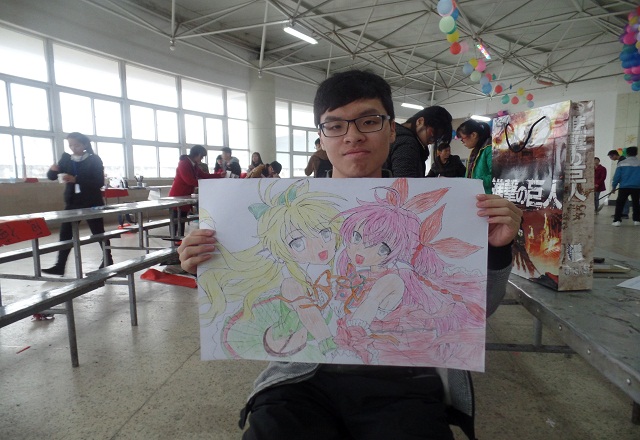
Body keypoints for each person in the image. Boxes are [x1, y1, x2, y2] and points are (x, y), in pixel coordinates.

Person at [177, 70, 522, 440]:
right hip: (302, 379)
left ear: (392, 130)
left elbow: (476, 309)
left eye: (369, 121)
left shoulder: (429, 215)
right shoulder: (299, 215)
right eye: (335, 125)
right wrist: (208, 262)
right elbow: (259, 291)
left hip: (403, 380)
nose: (353, 135)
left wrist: (497, 250)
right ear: (321, 138)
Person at [43, 132, 113, 275]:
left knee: (98, 232)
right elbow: (51, 177)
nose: (74, 148)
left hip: (92, 202)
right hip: (72, 202)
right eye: (71, 145)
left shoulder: (94, 160)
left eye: (77, 145)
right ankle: (60, 265)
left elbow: (99, 182)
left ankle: (108, 259)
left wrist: (76, 179)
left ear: (84, 144)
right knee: (65, 234)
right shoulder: (66, 159)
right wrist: (52, 170)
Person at [168, 145, 222, 237]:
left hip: (185, 196)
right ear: (198, 154)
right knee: (175, 221)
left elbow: (204, 175)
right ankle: (174, 240)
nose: (202, 159)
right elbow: (189, 180)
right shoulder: (184, 163)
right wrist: (206, 185)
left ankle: (179, 240)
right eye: (202, 156)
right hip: (177, 195)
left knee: (182, 220)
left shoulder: (194, 164)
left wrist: (219, 175)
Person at [385, 106, 453, 177]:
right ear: (420, 121)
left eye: (437, 138)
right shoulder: (406, 143)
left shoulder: (396, 134)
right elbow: (406, 181)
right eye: (433, 134)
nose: (433, 141)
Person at [457, 119, 493, 194]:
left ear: (473, 135)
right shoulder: (475, 152)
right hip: (477, 194)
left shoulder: (489, 149)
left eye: (462, 139)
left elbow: (496, 177)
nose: (463, 142)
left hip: (488, 196)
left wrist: (475, 182)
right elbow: (469, 177)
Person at [611, 146, 640, 227]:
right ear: (636, 153)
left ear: (627, 153)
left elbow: (617, 177)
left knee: (620, 204)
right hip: (637, 187)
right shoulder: (639, 163)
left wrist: (614, 186)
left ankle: (617, 220)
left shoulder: (621, 163)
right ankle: (637, 220)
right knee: (636, 203)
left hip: (624, 187)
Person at [608, 149, 630, 218]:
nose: (611, 159)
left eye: (611, 157)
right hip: (629, 182)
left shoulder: (622, 161)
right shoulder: (624, 160)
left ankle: (624, 213)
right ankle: (623, 213)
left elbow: (618, 175)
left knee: (622, 199)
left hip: (625, 183)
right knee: (624, 198)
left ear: (614, 155)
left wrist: (614, 186)